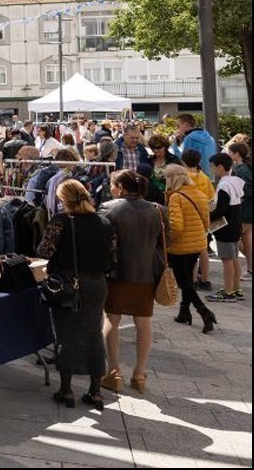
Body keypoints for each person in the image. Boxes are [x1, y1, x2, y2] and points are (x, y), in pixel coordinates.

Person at [36, 179, 116, 410]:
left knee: (66, 335)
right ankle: (96, 391)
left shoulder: (61, 222)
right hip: (97, 284)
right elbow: (113, 258)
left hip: (68, 283)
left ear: (63, 200)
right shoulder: (104, 223)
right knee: (93, 333)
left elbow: (44, 250)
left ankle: (66, 389)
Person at [100, 170, 166, 396]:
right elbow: (170, 239)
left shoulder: (109, 208)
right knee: (144, 322)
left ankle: (114, 371)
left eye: (111, 184)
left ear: (120, 186)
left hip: (117, 272)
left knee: (112, 319)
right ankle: (139, 375)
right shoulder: (157, 210)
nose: (110, 188)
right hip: (148, 273)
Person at [162, 164, 216, 333]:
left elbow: (176, 227)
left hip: (180, 246)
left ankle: (203, 311)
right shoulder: (199, 194)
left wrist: (168, 240)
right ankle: (184, 311)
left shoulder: (175, 197)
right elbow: (206, 222)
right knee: (187, 279)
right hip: (197, 243)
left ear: (172, 179)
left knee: (184, 282)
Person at [207, 153, 243, 302]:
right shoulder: (235, 181)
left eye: (212, 167)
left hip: (225, 228)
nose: (211, 170)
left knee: (227, 260)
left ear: (220, 167)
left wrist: (208, 215)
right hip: (235, 225)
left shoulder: (223, 184)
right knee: (234, 258)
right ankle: (235, 288)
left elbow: (221, 209)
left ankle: (228, 292)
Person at [181, 149, 216, 290]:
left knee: (190, 251)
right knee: (203, 249)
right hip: (202, 218)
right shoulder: (205, 178)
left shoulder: (182, 178)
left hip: (187, 217)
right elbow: (211, 200)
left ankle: (192, 280)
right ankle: (205, 280)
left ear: (183, 161)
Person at [226, 142, 252, 280]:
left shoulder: (242, 169)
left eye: (230, 152)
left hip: (245, 210)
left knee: (235, 238)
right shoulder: (244, 167)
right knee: (247, 240)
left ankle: (248, 269)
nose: (229, 155)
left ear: (236, 154)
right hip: (247, 210)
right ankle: (250, 269)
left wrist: (238, 198)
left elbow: (246, 189)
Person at [172, 113, 218, 179]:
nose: (177, 128)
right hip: (210, 177)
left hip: (196, 177)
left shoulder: (190, 138)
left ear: (185, 124)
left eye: (178, 125)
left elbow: (183, 160)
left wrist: (174, 144)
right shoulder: (211, 138)